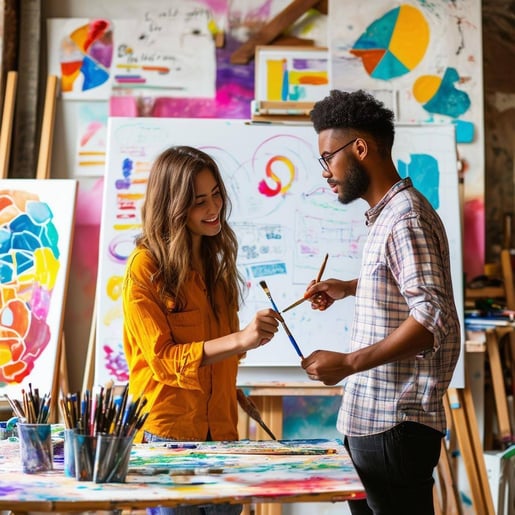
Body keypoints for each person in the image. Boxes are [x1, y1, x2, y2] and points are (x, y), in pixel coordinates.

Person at [300, 90, 461, 515]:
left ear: (360, 148)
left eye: (327, 158)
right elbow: (407, 290)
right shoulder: (389, 215)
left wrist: (349, 362)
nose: (326, 173)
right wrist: (351, 287)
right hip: (377, 424)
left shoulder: (405, 217)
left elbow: (430, 319)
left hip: (394, 424)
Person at [122, 145, 281, 515]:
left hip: (223, 433)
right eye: (199, 202)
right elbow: (163, 361)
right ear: (173, 207)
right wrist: (242, 337)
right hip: (169, 438)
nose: (214, 210)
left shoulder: (216, 261)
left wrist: (249, 340)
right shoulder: (145, 268)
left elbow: (221, 351)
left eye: (216, 195)